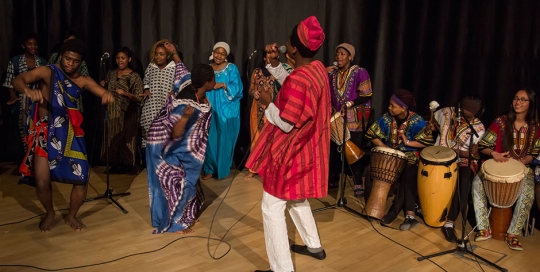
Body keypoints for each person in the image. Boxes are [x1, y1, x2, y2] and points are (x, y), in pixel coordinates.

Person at [246, 16, 330, 272]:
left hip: (290, 154)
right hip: (309, 151)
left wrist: (267, 103)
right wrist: (274, 66)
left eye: (288, 40)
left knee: (271, 207)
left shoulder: (300, 79)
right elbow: (295, 84)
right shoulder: (317, 70)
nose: (283, 43)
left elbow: (285, 122)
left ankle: (281, 269)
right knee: (295, 197)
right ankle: (314, 245)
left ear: (292, 48)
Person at [12, 39, 114, 232]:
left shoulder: (82, 80)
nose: (70, 63)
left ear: (80, 62)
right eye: (67, 59)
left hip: (71, 134)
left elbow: (101, 91)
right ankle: (49, 212)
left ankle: (71, 216)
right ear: (61, 56)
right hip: (45, 133)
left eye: (75, 61)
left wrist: (107, 95)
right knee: (42, 181)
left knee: (81, 178)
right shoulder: (49, 71)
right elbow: (19, 79)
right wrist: (26, 90)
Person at [146, 60, 215, 234]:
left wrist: (175, 55)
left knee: (191, 179)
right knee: (183, 182)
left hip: (186, 146)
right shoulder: (187, 105)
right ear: (207, 82)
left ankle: (188, 214)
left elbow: (182, 70)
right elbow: (175, 133)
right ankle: (175, 223)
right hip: (168, 146)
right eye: (214, 79)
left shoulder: (192, 85)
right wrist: (184, 118)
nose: (215, 81)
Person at [472, 89, 540, 251]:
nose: (518, 102)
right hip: (497, 166)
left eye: (523, 100)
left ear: (531, 104)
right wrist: (494, 153)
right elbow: (483, 146)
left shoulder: (536, 127)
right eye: (516, 98)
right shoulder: (500, 123)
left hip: (523, 169)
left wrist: (524, 162)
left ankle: (513, 234)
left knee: (528, 192)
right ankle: (483, 227)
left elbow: (534, 152)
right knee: (477, 183)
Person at [413, 95, 485, 242]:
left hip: (462, 160)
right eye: (461, 112)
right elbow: (434, 125)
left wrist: (453, 152)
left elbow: (473, 154)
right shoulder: (445, 112)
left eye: (468, 116)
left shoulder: (478, 128)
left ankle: (449, 223)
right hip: (437, 157)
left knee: (464, 182)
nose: (462, 117)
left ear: (475, 115)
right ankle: (423, 208)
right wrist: (431, 127)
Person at [364, 89, 427, 230]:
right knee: (369, 171)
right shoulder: (386, 118)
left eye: (393, 106)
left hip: (409, 156)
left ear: (403, 108)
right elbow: (371, 134)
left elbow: (426, 141)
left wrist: (408, 144)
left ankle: (394, 212)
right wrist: (384, 149)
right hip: (389, 156)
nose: (389, 108)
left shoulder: (417, 121)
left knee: (408, 173)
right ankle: (372, 206)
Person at [326, 43, 372, 193]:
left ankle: (358, 181)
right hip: (336, 117)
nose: (339, 57)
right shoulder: (332, 74)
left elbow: (366, 94)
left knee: (353, 150)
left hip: (354, 119)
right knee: (333, 151)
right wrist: (323, 73)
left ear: (350, 57)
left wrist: (350, 103)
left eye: (343, 54)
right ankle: (333, 179)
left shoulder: (360, 72)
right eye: (337, 54)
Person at [245, 49, 292, 180]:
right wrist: (253, 93)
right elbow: (250, 89)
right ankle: (254, 168)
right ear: (264, 57)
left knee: (271, 139)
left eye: (273, 56)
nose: (269, 58)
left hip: (273, 107)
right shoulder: (256, 72)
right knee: (256, 137)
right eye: (267, 56)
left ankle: (269, 168)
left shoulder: (280, 72)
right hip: (257, 108)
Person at [202, 42, 243, 180]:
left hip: (226, 109)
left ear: (226, 55)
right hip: (210, 106)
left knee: (224, 138)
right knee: (209, 138)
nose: (219, 55)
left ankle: (222, 169)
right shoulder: (207, 68)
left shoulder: (231, 68)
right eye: (217, 52)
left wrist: (223, 85)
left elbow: (237, 89)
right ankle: (209, 168)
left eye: (222, 53)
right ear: (213, 52)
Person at [100, 46, 144, 175]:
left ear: (129, 59)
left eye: (123, 58)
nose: (120, 60)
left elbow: (139, 97)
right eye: (118, 58)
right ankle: (116, 164)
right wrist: (104, 84)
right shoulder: (111, 73)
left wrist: (125, 93)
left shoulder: (134, 76)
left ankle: (131, 165)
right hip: (112, 112)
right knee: (112, 137)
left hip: (128, 113)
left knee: (127, 139)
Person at [3, 33, 48, 158]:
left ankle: (35, 159)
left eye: (35, 44)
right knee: (23, 130)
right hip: (22, 101)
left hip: (38, 100)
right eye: (30, 44)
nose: (33, 47)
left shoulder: (42, 62)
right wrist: (13, 97)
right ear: (23, 46)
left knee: (38, 129)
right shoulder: (15, 61)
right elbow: (10, 82)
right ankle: (25, 160)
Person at [139, 39, 179, 150]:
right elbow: (145, 81)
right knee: (149, 130)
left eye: (161, 54)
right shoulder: (151, 67)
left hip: (165, 104)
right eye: (156, 54)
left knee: (165, 133)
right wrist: (146, 89)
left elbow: (180, 83)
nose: (158, 57)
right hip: (151, 105)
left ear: (167, 56)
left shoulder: (174, 68)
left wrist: (174, 91)